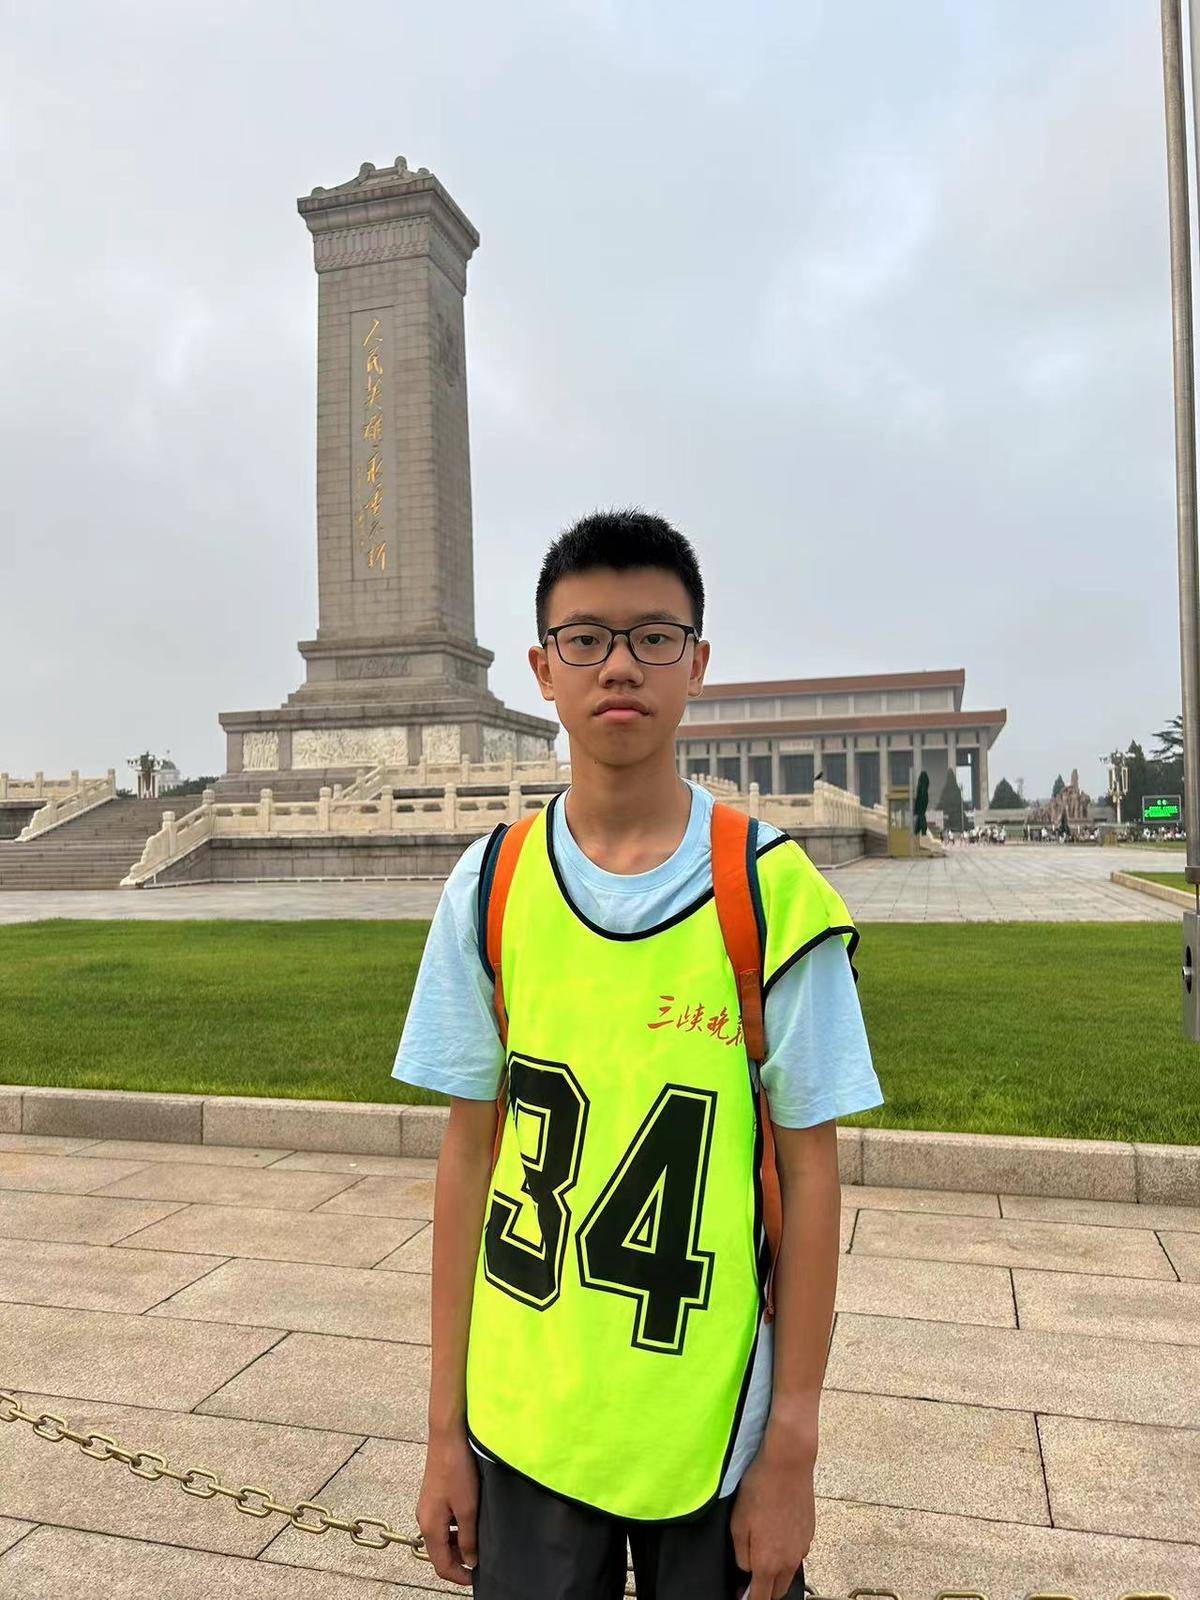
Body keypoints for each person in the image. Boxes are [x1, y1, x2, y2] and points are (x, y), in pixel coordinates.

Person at [394, 509, 883, 1600]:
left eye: (654, 637)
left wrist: (792, 1446)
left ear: (697, 663)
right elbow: (467, 1158)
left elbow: (811, 1176)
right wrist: (442, 1430)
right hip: (528, 1418)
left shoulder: (772, 894)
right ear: (542, 669)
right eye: (585, 639)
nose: (619, 665)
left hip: (713, 1428)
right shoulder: (490, 886)